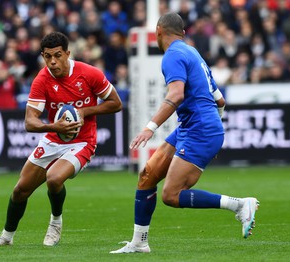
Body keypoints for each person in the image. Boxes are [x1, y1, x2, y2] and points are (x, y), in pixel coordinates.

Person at [110, 12, 259, 254]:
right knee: (147, 176)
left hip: (198, 129)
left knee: (171, 195)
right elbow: (219, 100)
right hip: (194, 128)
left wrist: (150, 127)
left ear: (158, 31)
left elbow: (176, 95)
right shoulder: (192, 52)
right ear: (183, 33)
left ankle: (240, 205)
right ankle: (139, 242)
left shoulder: (172, 56)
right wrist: (215, 133)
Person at [0, 32, 122, 247]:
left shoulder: (89, 73)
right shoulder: (42, 79)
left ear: (68, 53)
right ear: (43, 56)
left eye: (57, 55)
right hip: (53, 139)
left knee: (54, 178)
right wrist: (53, 127)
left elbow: (116, 103)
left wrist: (85, 111)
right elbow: (30, 122)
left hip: (82, 142)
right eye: (47, 56)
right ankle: (6, 237)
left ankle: (55, 222)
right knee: (20, 190)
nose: (53, 62)